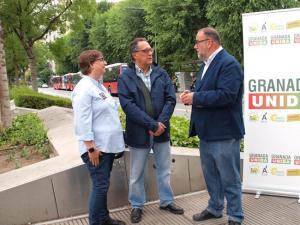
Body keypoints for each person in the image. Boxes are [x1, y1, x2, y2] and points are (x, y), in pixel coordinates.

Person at [180, 27, 245, 225]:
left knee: (229, 177)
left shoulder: (228, 63)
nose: (195, 46)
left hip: (224, 133)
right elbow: (206, 90)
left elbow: (227, 95)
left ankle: (235, 215)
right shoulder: (207, 64)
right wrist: (189, 94)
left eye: (197, 42)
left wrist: (196, 97)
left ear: (209, 42)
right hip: (207, 132)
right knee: (211, 176)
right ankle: (215, 208)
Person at [118, 38, 184, 223]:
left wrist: (161, 123)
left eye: (150, 49)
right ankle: (137, 205)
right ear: (134, 55)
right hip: (139, 133)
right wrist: (151, 125)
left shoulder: (161, 73)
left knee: (164, 169)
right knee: (136, 173)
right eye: (145, 50)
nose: (150, 53)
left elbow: (171, 99)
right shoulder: (125, 77)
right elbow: (128, 106)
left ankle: (166, 201)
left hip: (162, 132)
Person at [71, 50, 126, 225]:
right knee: (100, 186)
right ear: (92, 64)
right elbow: (82, 121)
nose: (105, 62)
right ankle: (96, 222)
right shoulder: (84, 88)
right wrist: (91, 148)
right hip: (96, 149)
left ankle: (104, 219)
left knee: (103, 185)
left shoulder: (98, 85)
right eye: (102, 60)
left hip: (106, 147)